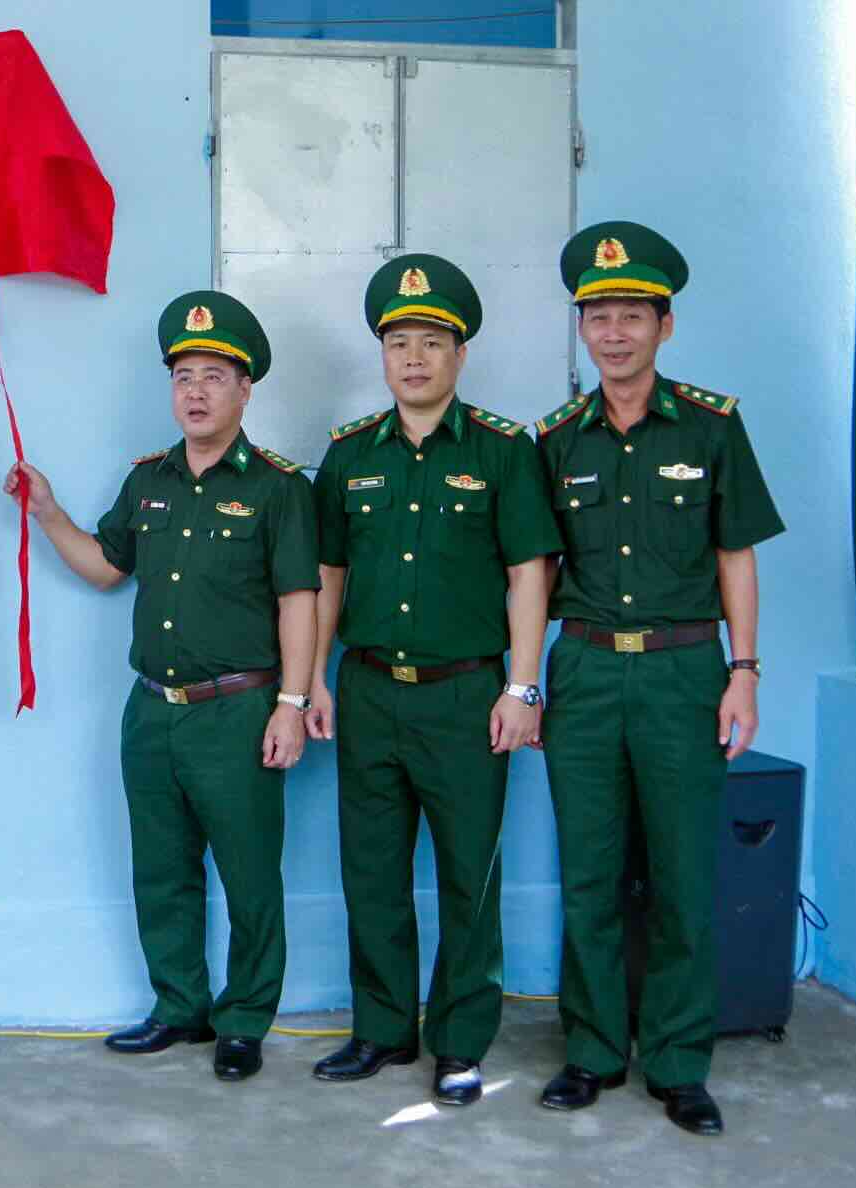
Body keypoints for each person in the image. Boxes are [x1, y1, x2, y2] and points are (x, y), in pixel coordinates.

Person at [3, 291, 318, 1082]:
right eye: (184, 375)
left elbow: (299, 602)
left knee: (249, 874)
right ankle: (180, 1006)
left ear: (245, 391)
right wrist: (47, 511)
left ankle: (243, 1019)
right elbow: (107, 567)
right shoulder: (148, 481)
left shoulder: (279, 488)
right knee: (162, 867)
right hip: (152, 712)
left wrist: (292, 701)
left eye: (215, 376)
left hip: (239, 711)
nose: (197, 392)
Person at [534, 222, 783, 1136]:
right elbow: (531, 570)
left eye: (630, 314)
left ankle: (679, 1063)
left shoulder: (714, 425)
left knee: (682, 876)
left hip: (685, 672)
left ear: (664, 326)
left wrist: (744, 670)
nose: (613, 332)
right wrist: (530, 682)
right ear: (582, 328)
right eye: (597, 315)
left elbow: (736, 555)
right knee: (589, 873)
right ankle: (594, 1050)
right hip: (587, 672)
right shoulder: (555, 438)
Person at [304, 255, 562, 1106]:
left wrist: (522, 687)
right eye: (398, 343)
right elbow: (328, 576)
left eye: (432, 342)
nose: (413, 358)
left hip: (465, 695)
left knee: (467, 877)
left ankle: (458, 1043)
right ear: (383, 356)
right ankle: (381, 1030)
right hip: (371, 687)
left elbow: (531, 571)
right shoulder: (348, 457)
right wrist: (312, 682)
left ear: (459, 355)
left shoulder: (501, 451)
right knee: (371, 870)